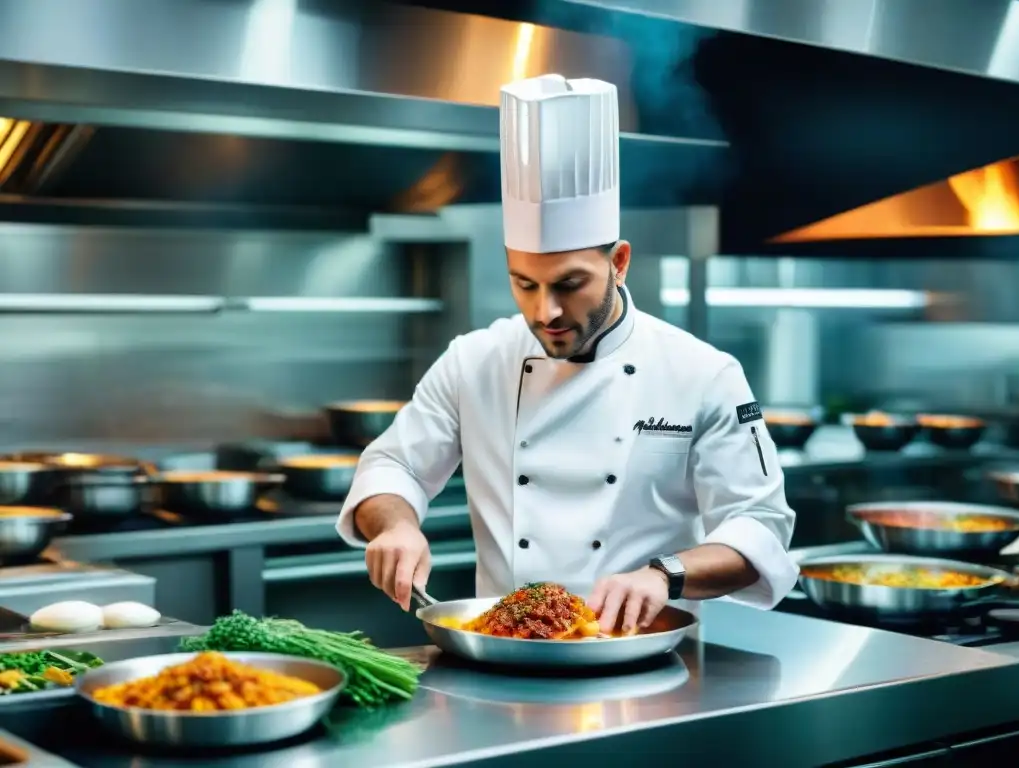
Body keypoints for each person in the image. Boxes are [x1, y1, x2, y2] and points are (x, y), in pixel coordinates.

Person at [337, 73, 798, 634]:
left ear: (619, 262)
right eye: (524, 284)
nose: (545, 312)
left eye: (569, 283)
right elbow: (394, 465)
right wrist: (395, 526)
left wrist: (664, 574)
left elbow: (760, 525)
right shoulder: (473, 361)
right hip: (503, 656)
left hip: (644, 661)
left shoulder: (702, 373)